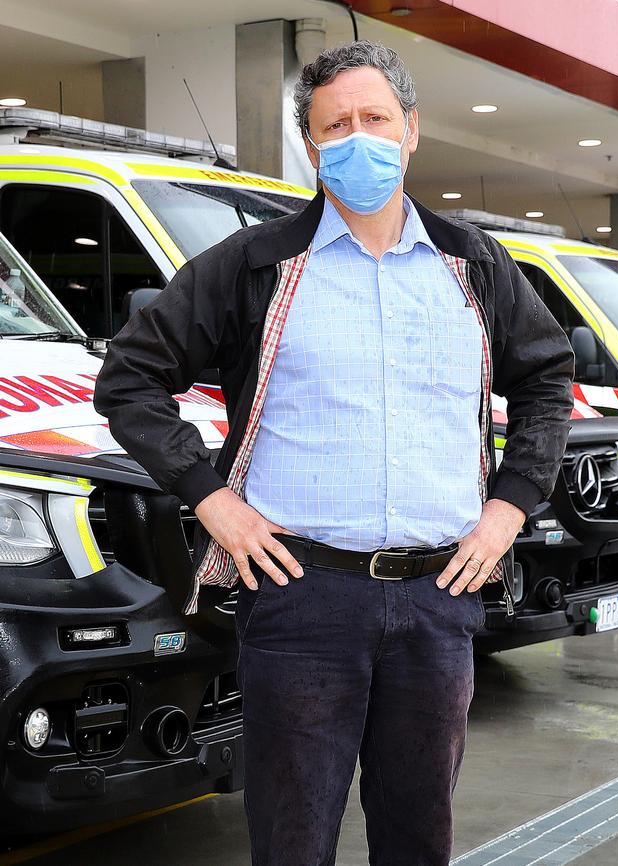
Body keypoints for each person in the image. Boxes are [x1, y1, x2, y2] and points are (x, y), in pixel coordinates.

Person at [94, 40, 574, 866]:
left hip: (437, 599)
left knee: (418, 837)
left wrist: (509, 509)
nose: (358, 139)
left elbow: (549, 379)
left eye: (375, 119)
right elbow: (130, 378)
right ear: (312, 147)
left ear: (412, 129)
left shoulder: (477, 266)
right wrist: (213, 500)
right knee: (293, 840)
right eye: (335, 126)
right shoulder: (255, 267)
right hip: (300, 598)